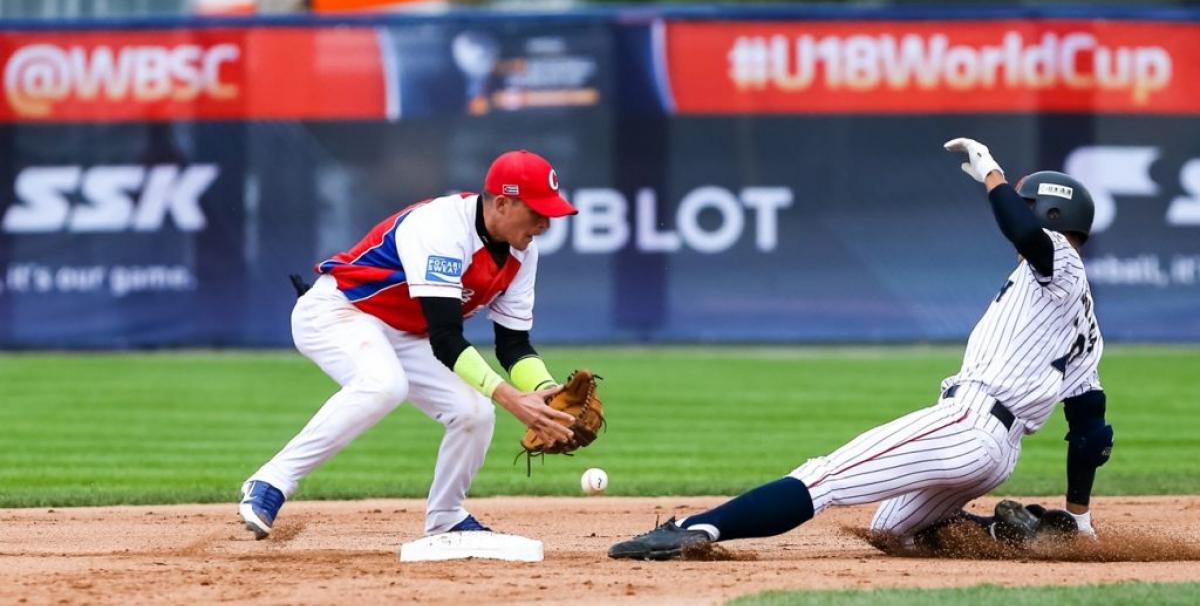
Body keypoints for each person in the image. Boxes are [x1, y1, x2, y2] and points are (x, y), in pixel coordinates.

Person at [608, 138, 1114, 560]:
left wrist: (992, 173)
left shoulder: (1061, 264)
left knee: (823, 477)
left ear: (1051, 215)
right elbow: (1090, 425)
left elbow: (1023, 229)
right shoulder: (1083, 318)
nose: (1019, 212)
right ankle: (1015, 535)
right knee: (893, 531)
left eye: (1029, 206)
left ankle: (696, 530)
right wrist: (1079, 518)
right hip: (996, 453)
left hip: (969, 424)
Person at [240, 150, 579, 540]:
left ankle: (446, 516)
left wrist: (545, 395)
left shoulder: (523, 253)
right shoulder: (442, 226)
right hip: (339, 312)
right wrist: (511, 397)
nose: (545, 222)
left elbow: (513, 344)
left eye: (551, 212)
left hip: (406, 332)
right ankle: (271, 482)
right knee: (384, 385)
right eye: (537, 211)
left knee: (474, 412)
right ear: (502, 203)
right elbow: (446, 337)